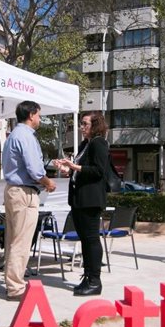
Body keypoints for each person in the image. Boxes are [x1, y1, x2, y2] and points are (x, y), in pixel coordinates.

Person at [1, 101, 56, 301]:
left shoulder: (13, 135)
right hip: (24, 192)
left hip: (14, 190)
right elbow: (34, 170)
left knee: (13, 239)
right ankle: (16, 287)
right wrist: (48, 182)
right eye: (39, 115)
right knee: (21, 241)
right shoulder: (26, 136)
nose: (40, 119)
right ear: (32, 115)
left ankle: (12, 282)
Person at [53, 111, 108, 296]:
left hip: (90, 200)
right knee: (85, 239)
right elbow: (81, 171)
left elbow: (99, 171)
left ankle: (95, 280)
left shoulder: (99, 143)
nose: (82, 127)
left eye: (85, 123)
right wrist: (66, 168)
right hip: (80, 200)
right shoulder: (86, 144)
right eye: (81, 123)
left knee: (91, 239)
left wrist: (74, 166)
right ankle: (88, 276)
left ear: (96, 124)